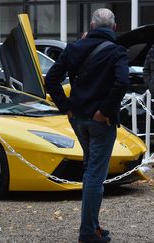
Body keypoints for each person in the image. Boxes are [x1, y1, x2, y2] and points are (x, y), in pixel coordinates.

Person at [45, 8, 130, 243]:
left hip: (78, 119)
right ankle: (88, 233)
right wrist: (104, 111)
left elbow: (50, 78)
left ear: (92, 25)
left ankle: (92, 225)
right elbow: (123, 82)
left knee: (90, 170)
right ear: (113, 27)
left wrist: (66, 107)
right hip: (101, 121)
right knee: (95, 174)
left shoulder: (73, 48)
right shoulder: (117, 52)